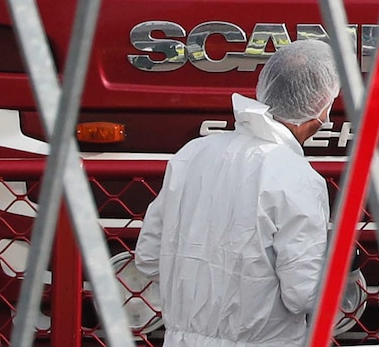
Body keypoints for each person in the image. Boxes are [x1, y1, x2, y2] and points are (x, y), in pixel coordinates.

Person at [135, 39, 340, 347]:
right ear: (323, 103)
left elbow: (149, 259)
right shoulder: (298, 177)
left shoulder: (193, 154)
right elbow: (304, 294)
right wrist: (338, 264)